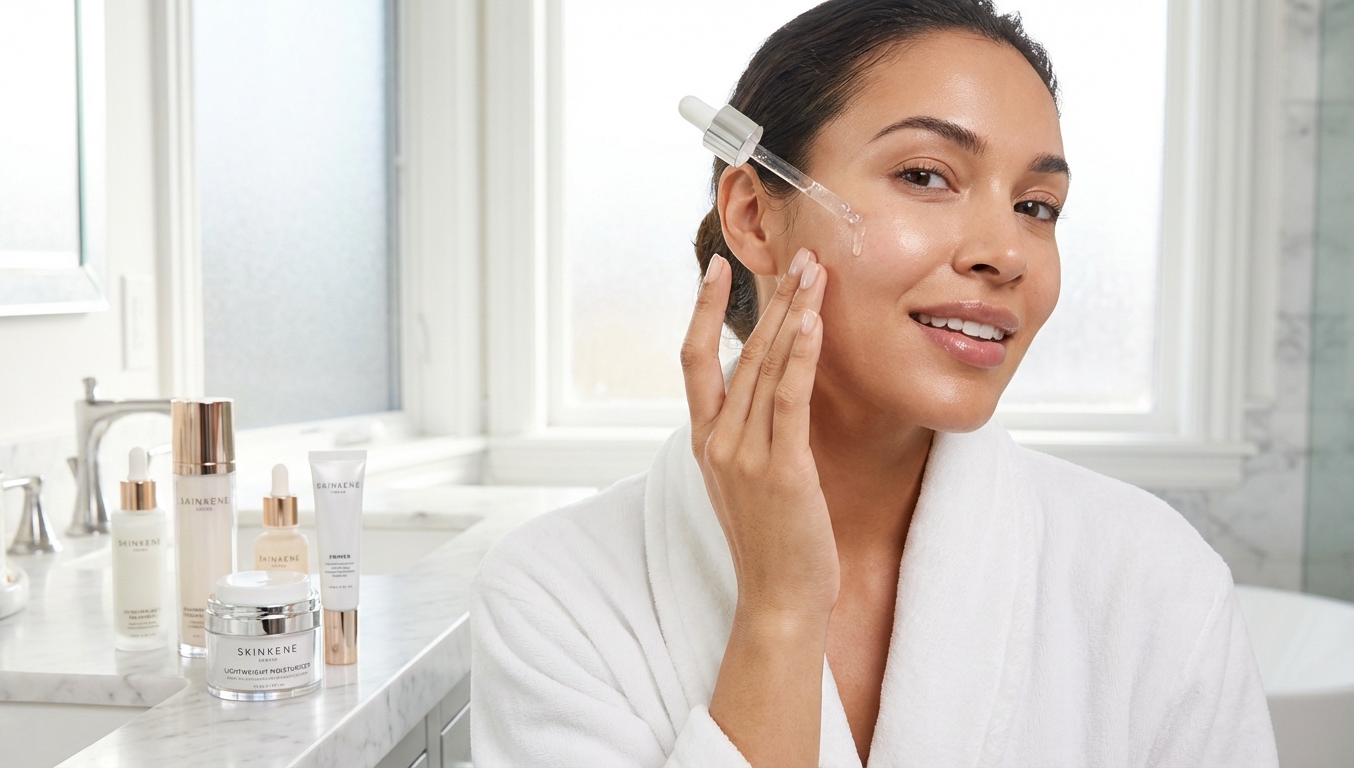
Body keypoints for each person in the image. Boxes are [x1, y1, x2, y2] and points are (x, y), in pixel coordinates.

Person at [470, 0, 1279, 764]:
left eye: (1037, 206)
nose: (1007, 252)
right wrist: (781, 611)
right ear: (753, 215)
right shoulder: (558, 595)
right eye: (925, 176)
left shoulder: (1156, 581)